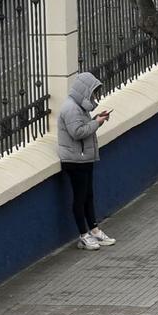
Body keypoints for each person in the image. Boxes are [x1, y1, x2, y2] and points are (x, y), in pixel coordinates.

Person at [57, 70, 114, 250]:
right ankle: (83, 235)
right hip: (75, 161)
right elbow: (77, 132)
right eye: (93, 92)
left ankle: (95, 231)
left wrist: (96, 119)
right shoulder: (71, 109)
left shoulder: (79, 107)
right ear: (84, 90)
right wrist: (97, 122)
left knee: (88, 195)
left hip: (84, 159)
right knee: (80, 197)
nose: (94, 96)